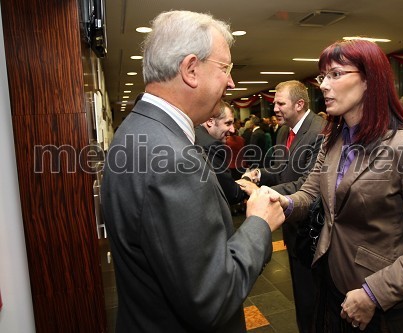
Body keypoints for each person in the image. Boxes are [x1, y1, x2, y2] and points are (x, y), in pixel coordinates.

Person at [100, 11, 285, 333]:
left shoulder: (135, 130)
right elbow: (212, 298)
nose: (231, 81)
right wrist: (258, 224)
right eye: (224, 68)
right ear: (190, 69)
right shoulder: (173, 160)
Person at [268, 40, 403, 332]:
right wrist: (285, 203)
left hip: (382, 308)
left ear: (370, 79)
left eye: (336, 74)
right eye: (323, 76)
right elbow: (310, 192)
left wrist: (373, 294)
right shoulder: (332, 140)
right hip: (330, 287)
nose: (324, 86)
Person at [240, 80, 326, 333]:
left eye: (280, 103)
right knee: (302, 292)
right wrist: (259, 175)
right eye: (274, 103)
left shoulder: (320, 131)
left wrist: (262, 192)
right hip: (292, 224)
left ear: (299, 104)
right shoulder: (282, 131)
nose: (274, 108)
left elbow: (306, 184)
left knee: (315, 294)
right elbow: (281, 170)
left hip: (314, 228)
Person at [195, 100, 247, 205]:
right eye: (228, 123)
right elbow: (232, 194)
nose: (232, 130)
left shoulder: (196, 133)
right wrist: (247, 180)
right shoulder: (211, 145)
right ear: (210, 121)